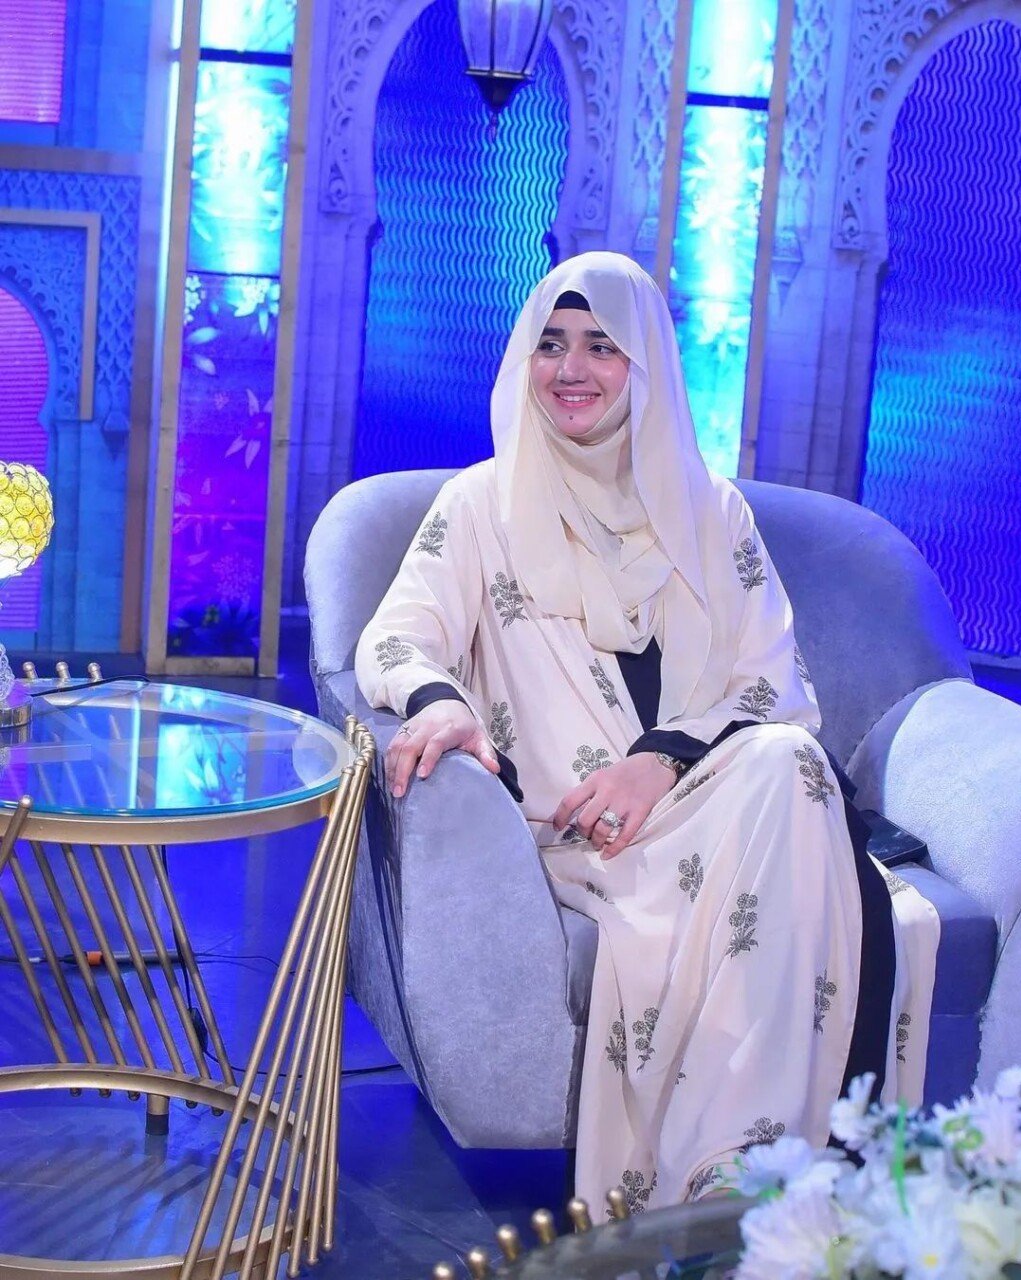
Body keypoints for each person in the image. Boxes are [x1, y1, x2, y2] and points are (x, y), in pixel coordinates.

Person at [355, 252, 938, 1211]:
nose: (570, 369)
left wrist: (661, 762)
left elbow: (775, 685)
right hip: (583, 830)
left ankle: (734, 1169)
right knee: (789, 786)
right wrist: (439, 700)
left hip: (714, 805)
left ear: (647, 364)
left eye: (602, 345)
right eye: (551, 344)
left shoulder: (712, 512)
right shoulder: (481, 507)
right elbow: (395, 638)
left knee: (790, 762)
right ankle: (737, 1186)